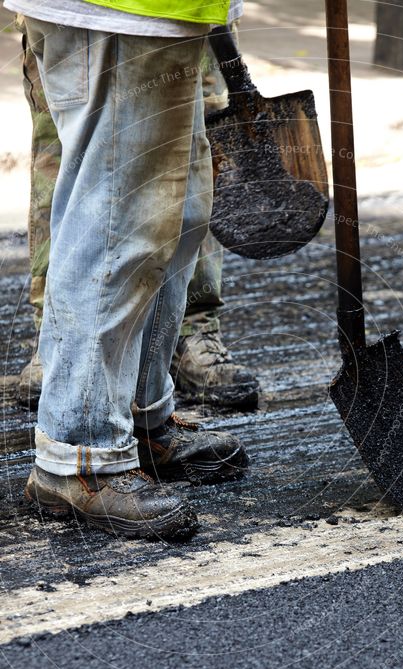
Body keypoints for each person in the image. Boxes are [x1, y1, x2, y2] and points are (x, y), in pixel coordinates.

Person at [6, 0, 250, 539]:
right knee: (118, 222)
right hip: (115, 11)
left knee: (176, 214)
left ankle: (139, 416)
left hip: (164, 12)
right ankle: (81, 453)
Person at [17, 15, 260, 412]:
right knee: (69, 160)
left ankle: (187, 329)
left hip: (192, 13)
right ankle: (59, 338)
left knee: (194, 153)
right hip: (71, 13)